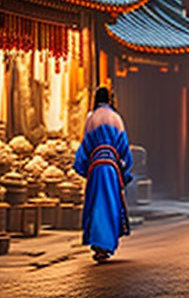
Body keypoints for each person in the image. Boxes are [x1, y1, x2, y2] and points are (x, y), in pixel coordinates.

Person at [74, 87, 132, 262]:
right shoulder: (116, 118)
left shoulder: (91, 118)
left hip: (96, 167)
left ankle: (98, 244)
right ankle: (105, 245)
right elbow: (124, 148)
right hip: (112, 169)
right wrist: (125, 170)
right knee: (111, 205)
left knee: (96, 204)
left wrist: (83, 167)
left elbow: (85, 146)